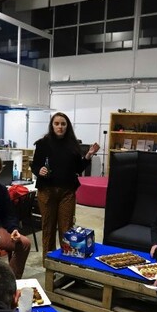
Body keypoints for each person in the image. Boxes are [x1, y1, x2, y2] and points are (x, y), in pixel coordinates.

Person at [31, 112, 100, 261]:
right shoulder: (43, 144)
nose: (60, 127)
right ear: (52, 125)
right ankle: (48, 262)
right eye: (57, 124)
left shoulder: (73, 145)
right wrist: (39, 170)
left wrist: (88, 155)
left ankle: (65, 262)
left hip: (67, 192)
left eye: (63, 124)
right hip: (47, 191)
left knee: (66, 229)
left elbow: (78, 168)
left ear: (67, 126)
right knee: (48, 228)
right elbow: (35, 164)